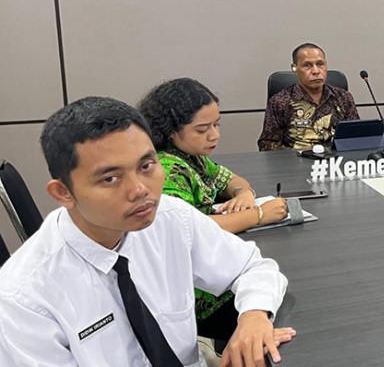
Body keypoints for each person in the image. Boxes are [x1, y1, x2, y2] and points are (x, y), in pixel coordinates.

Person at [0, 97, 296, 366]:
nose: (140, 190)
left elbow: (252, 267)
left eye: (146, 165)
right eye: (110, 178)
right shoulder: (22, 296)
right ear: (63, 193)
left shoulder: (170, 217)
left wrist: (254, 317)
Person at [138, 78, 289, 343]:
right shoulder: (168, 169)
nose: (214, 135)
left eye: (216, 125)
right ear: (170, 131)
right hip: (199, 296)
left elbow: (233, 180)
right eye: (202, 129)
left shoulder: (193, 157)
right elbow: (189, 230)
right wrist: (258, 215)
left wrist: (243, 194)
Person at [258, 42, 360, 151]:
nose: (316, 71)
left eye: (320, 64)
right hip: (296, 159)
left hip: (337, 159)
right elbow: (267, 144)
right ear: (294, 68)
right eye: (307, 65)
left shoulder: (343, 97)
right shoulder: (280, 101)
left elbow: (357, 136)